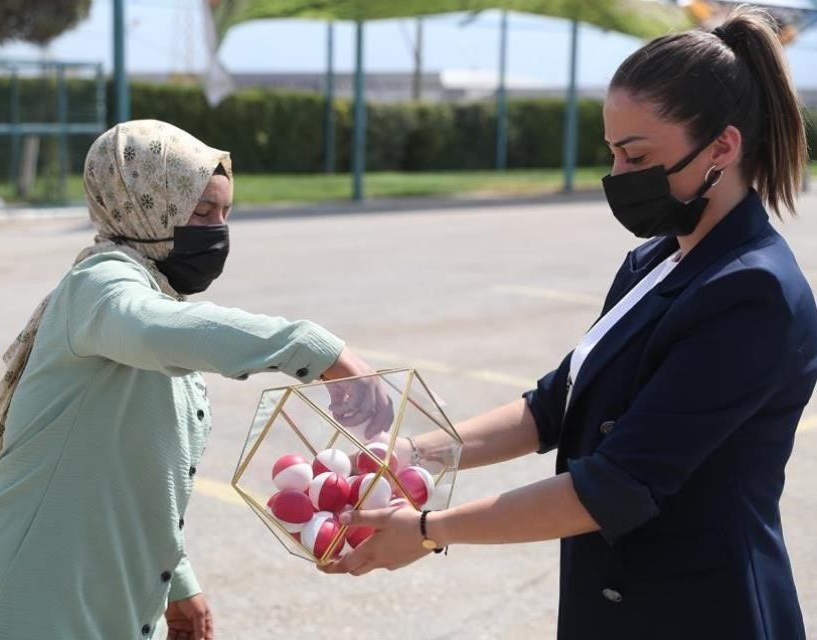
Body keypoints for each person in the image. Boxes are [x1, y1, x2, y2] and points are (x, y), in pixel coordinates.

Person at [323, 9, 817, 640]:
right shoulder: (656, 260)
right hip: (612, 608)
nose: (618, 177)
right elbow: (555, 405)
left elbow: (617, 484)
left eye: (638, 155)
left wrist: (426, 532)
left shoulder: (755, 293)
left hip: (702, 610)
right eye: (612, 152)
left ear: (723, 146)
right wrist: (411, 454)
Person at [0, 120, 390, 640]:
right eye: (200, 213)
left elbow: (136, 483)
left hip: (109, 609)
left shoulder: (156, 297)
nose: (217, 232)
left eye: (225, 214)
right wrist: (316, 348)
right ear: (144, 204)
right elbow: (152, 329)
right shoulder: (101, 286)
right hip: (28, 605)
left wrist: (178, 584)